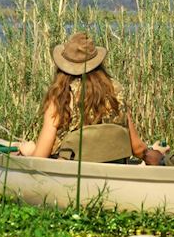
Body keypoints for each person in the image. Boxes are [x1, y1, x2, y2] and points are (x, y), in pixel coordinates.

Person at [17, 32, 146, 159]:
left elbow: (40, 157)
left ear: (63, 67)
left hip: (70, 172)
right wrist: (154, 153)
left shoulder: (62, 97)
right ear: (98, 64)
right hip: (112, 168)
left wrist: (29, 151)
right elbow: (138, 149)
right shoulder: (116, 92)